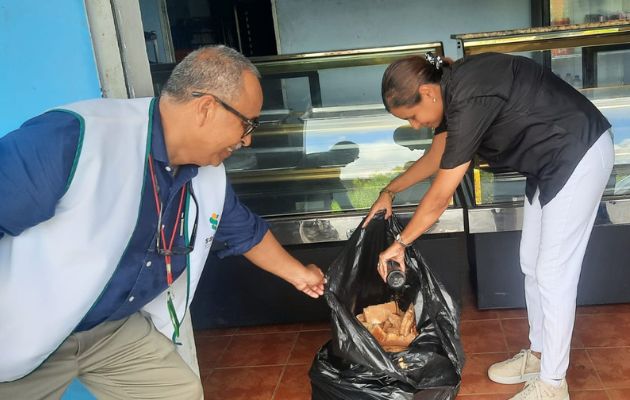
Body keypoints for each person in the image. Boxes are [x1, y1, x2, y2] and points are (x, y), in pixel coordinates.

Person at [0, 45, 325, 399]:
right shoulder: (73, 138)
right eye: (247, 123)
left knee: (178, 392)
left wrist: (301, 275)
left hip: (111, 328)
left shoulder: (206, 174)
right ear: (206, 108)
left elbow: (242, 229)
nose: (247, 140)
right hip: (25, 332)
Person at [364, 52, 614, 400]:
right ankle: (539, 356)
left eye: (413, 116)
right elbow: (435, 158)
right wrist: (389, 190)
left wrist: (401, 242)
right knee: (531, 263)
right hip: (548, 163)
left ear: (428, 92)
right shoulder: (454, 96)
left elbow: (440, 196)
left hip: (577, 152)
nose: (416, 125)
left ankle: (554, 384)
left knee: (555, 273)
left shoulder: (468, 97)